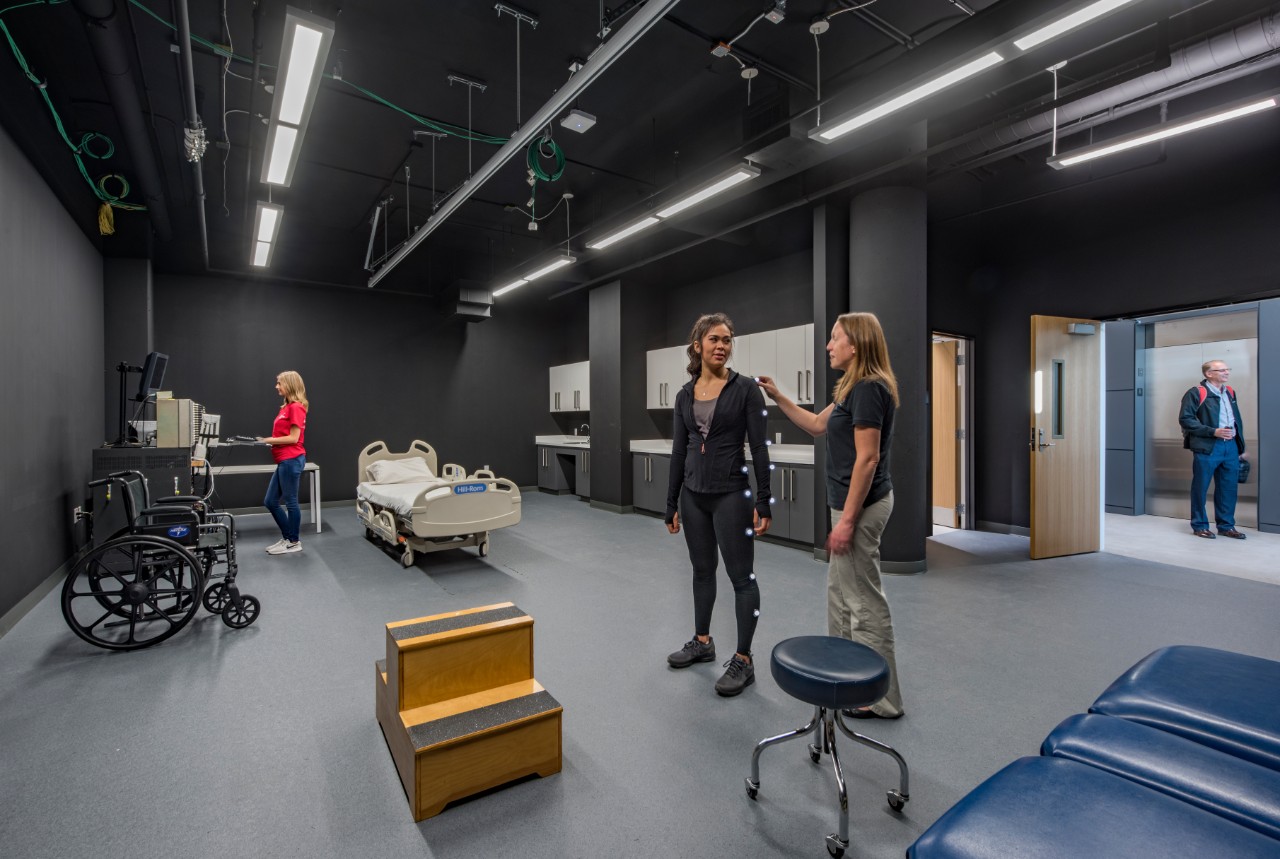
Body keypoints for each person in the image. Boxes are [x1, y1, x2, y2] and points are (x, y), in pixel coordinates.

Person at [757, 312, 904, 719]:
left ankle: (883, 698)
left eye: (835, 339)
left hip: (862, 507)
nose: (829, 345)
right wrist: (780, 396)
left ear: (855, 344)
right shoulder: (851, 388)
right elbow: (818, 425)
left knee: (864, 602)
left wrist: (847, 521)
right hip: (849, 506)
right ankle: (845, 680)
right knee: (840, 599)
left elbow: (868, 459)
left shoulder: (870, 389)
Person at [665, 313, 772, 697]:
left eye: (727, 339)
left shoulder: (745, 390)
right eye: (714, 339)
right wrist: (671, 501)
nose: (722, 345)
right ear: (698, 345)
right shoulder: (684, 394)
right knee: (702, 570)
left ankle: (744, 660)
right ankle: (703, 641)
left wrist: (763, 500)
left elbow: (759, 448)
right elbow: (680, 450)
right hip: (693, 496)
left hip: (731, 494)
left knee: (742, 578)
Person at [1179, 360, 1247, 539]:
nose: (1226, 372)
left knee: (1228, 488)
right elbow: (1186, 419)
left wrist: (1240, 446)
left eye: (1227, 369)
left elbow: (1235, 420)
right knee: (1200, 487)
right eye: (1221, 370)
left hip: (1230, 447)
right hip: (1208, 446)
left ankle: (1226, 526)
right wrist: (1213, 432)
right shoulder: (1196, 393)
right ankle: (1200, 525)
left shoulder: (1230, 392)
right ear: (1209, 374)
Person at [258, 370, 309, 555]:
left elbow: (294, 438)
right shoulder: (285, 408)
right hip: (284, 460)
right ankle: (289, 538)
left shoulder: (296, 407)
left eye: (279, 383)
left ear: (290, 385)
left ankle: (293, 541)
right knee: (270, 501)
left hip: (291, 459)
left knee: (291, 502)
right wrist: (268, 440)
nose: (276, 386)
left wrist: (268, 440)